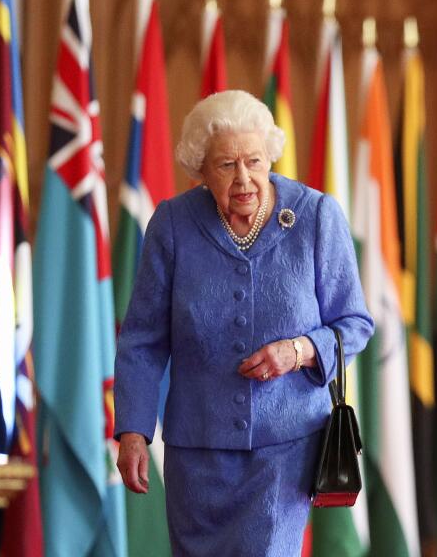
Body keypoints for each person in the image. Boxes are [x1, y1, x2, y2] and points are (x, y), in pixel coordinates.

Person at [114, 89, 373, 556]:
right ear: (200, 168)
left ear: (270, 156)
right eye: (225, 166)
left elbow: (354, 323)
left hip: (285, 448)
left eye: (254, 161)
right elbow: (143, 340)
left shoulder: (316, 217)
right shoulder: (172, 224)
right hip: (197, 452)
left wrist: (297, 351)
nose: (243, 179)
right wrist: (133, 431)